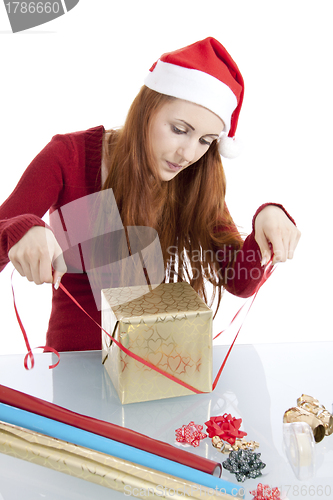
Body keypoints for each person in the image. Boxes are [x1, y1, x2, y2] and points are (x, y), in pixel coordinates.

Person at [0, 37, 300, 352]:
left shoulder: (194, 179)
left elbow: (240, 280)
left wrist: (267, 221)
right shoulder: (69, 157)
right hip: (74, 372)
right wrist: (23, 229)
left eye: (206, 140)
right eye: (179, 130)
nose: (187, 153)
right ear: (148, 109)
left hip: (158, 370)